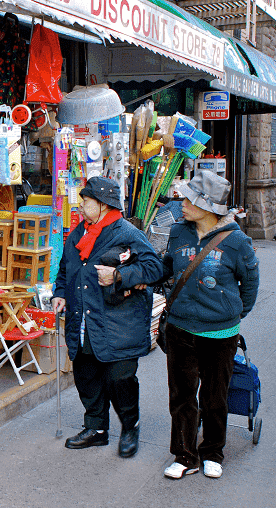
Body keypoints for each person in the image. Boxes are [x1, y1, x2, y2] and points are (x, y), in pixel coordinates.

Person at [52, 176, 163, 458]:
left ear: (101, 205)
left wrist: (119, 275)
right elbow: (66, 269)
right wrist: (60, 292)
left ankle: (130, 426)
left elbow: (154, 268)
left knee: (119, 379)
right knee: (86, 375)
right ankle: (96, 429)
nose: (80, 206)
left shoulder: (126, 233)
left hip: (118, 323)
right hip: (83, 321)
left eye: (85, 201)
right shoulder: (79, 232)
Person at [159, 170, 259, 480]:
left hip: (220, 334)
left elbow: (250, 284)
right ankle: (184, 455)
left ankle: (213, 451)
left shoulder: (237, 242)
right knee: (182, 396)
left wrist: (230, 314)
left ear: (207, 205)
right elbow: (167, 269)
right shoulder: (178, 232)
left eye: (189, 198)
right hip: (180, 330)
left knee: (215, 396)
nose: (182, 202)